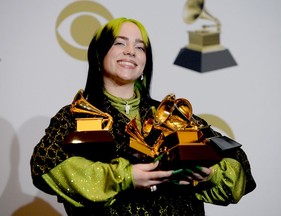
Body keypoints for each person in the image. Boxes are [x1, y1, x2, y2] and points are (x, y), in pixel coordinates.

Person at [30, 17, 256, 216]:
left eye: (140, 47)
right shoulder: (75, 116)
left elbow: (237, 161)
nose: (131, 51)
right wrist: (124, 177)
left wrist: (211, 175)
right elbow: (46, 164)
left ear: (145, 62)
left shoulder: (174, 115)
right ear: (99, 55)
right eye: (120, 43)